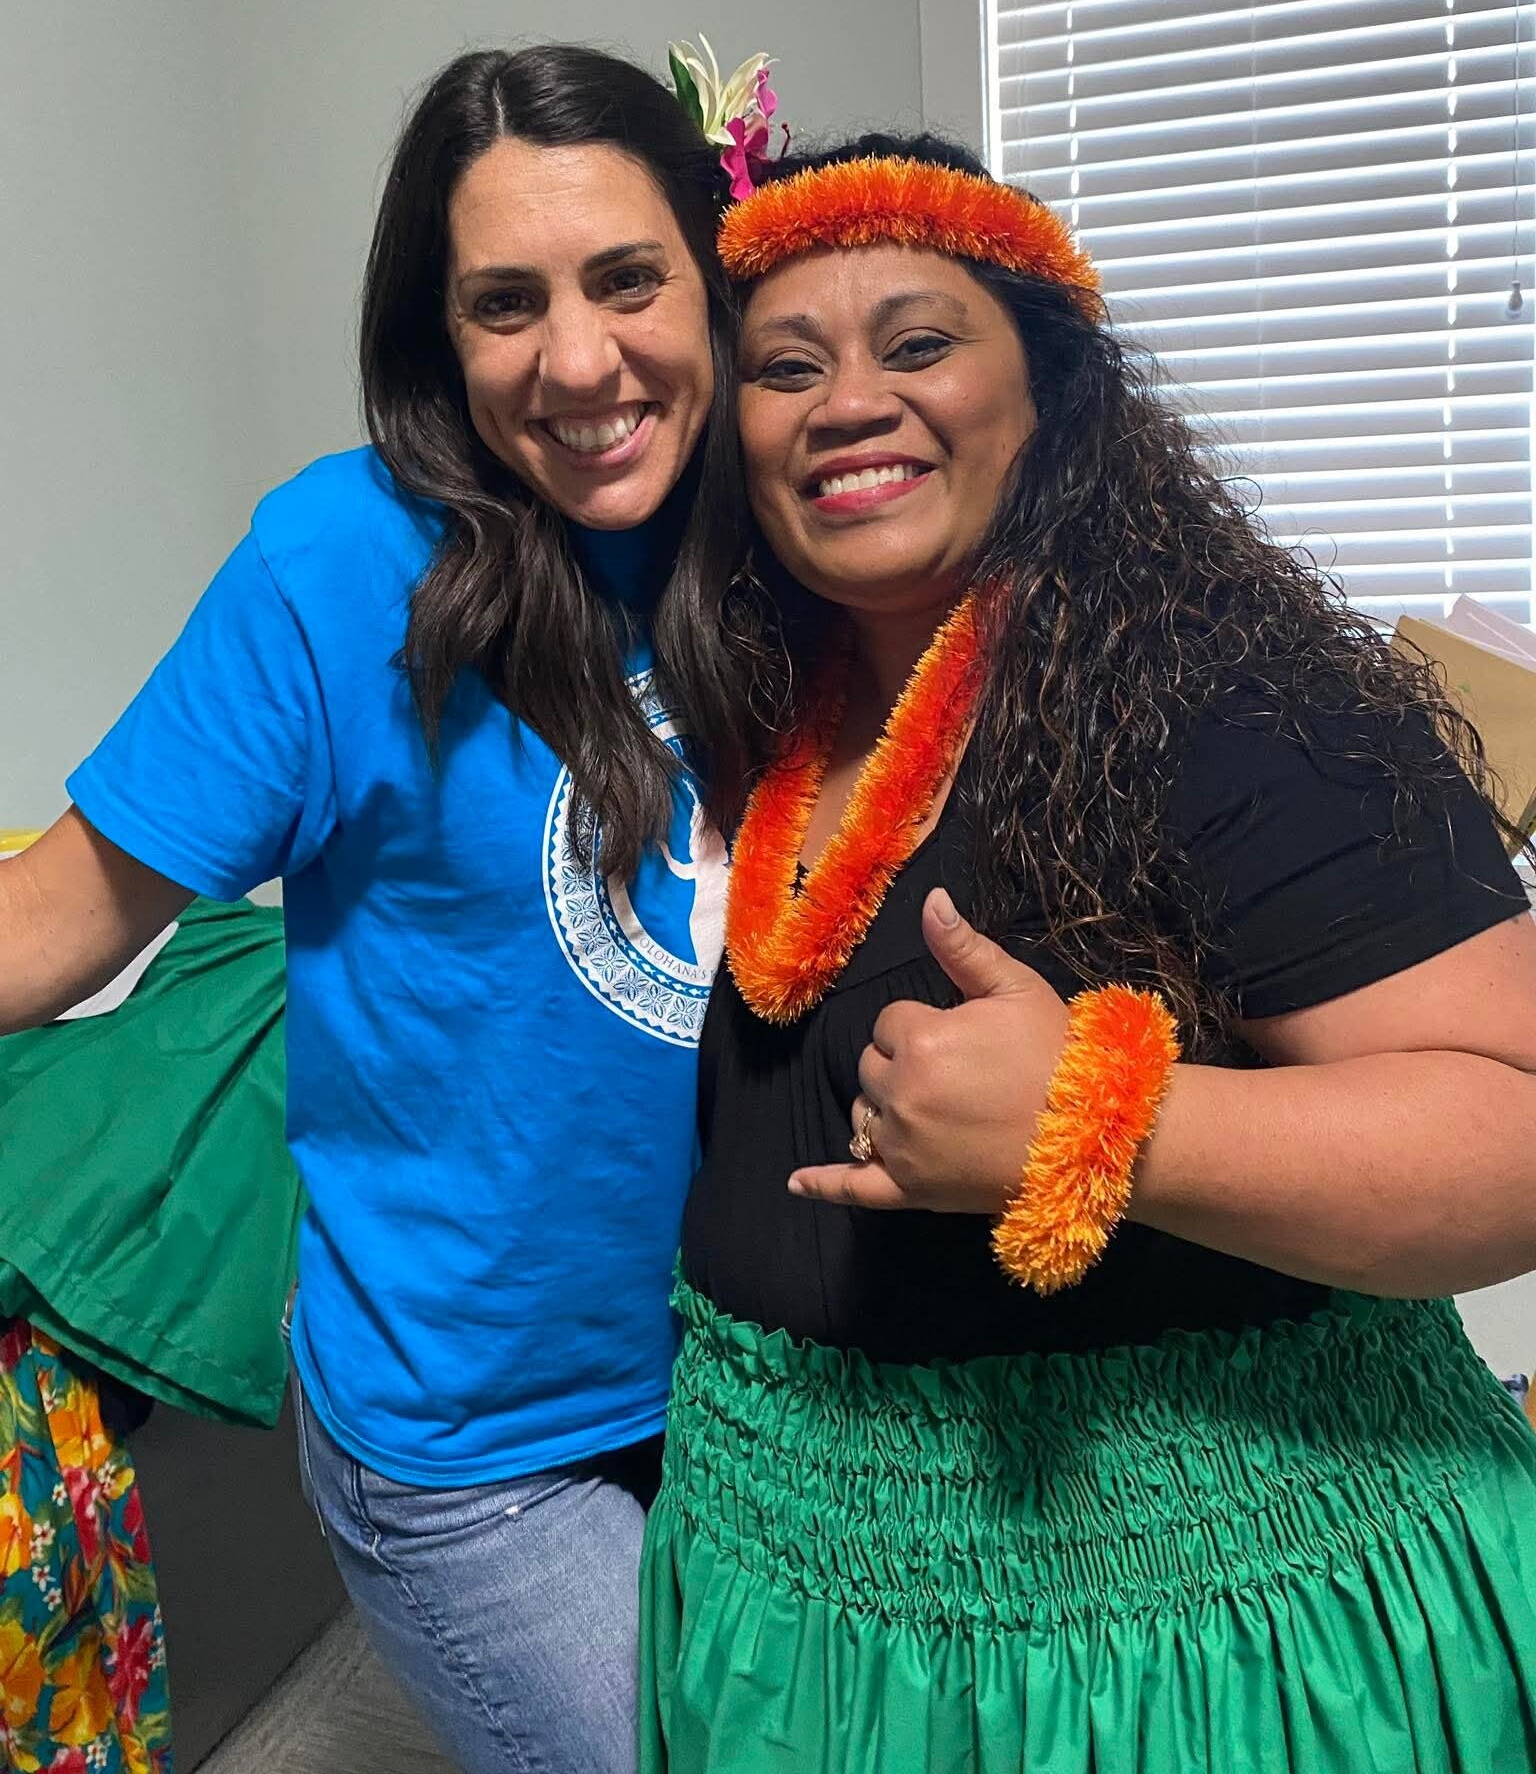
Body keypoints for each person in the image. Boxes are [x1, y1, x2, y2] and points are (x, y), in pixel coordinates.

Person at [642, 133, 1536, 1772]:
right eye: (787, 366)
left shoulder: (1233, 695)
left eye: (919, 342)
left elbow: (1518, 1130)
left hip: (1183, 1648)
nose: (849, 402)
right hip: (801, 1610)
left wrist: (1105, 1124)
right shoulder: (769, 704)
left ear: (1048, 393)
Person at [0, 43, 741, 1774]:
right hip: (476, 1444)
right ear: (438, 335)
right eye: (505, 304)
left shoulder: (772, 529)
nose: (580, 360)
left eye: (628, 279)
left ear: (714, 279)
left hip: (756, 1380)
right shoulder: (335, 564)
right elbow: (47, 928)